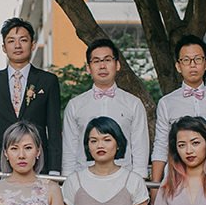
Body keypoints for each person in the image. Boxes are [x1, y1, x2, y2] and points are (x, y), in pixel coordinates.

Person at [0, 18, 62, 195]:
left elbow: (54, 129)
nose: (17, 45)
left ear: (32, 44)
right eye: (11, 41)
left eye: (23, 40)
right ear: (4, 47)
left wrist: (54, 171)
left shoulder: (48, 81)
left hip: (37, 163)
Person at [150, 35, 206, 198]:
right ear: (178, 66)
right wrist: (154, 187)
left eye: (197, 59)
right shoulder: (166, 103)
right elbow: (161, 145)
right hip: (177, 179)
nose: (192, 65)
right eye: (186, 60)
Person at [61, 39, 149, 178]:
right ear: (88, 68)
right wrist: (68, 179)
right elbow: (69, 150)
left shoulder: (133, 104)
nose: (102, 66)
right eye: (96, 61)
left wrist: (139, 180)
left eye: (107, 60)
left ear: (117, 65)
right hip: (84, 178)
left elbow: (140, 147)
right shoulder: (75, 105)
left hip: (123, 179)